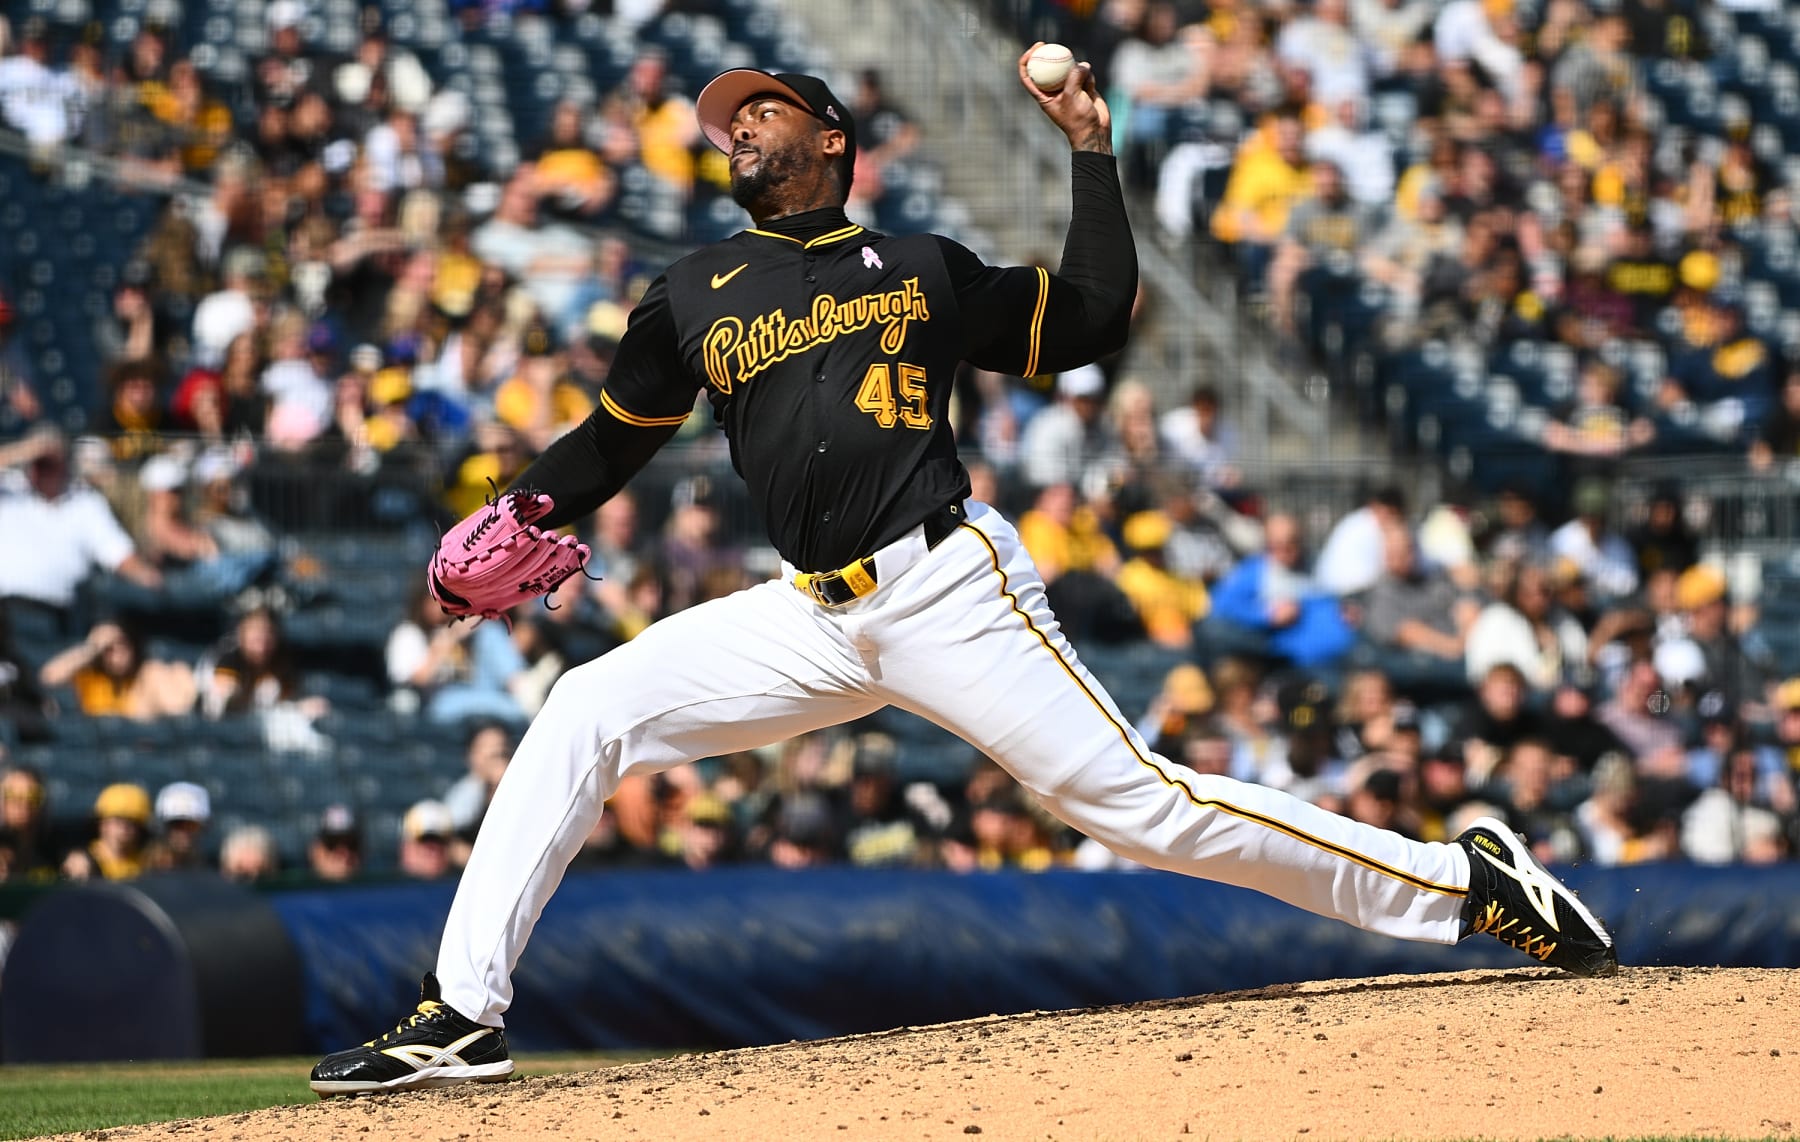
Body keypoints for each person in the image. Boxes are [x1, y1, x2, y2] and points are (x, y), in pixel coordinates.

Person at [311, 54, 1616, 1098]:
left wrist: (1090, 151)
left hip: (945, 587)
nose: (735, 130)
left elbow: (1091, 320)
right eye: (725, 123)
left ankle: (1468, 884)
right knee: (584, 706)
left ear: (830, 138)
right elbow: (613, 439)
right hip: (807, 615)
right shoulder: (694, 290)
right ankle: (460, 1016)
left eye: (760, 110)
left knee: (1139, 809)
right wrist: (527, 503)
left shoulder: (920, 266)